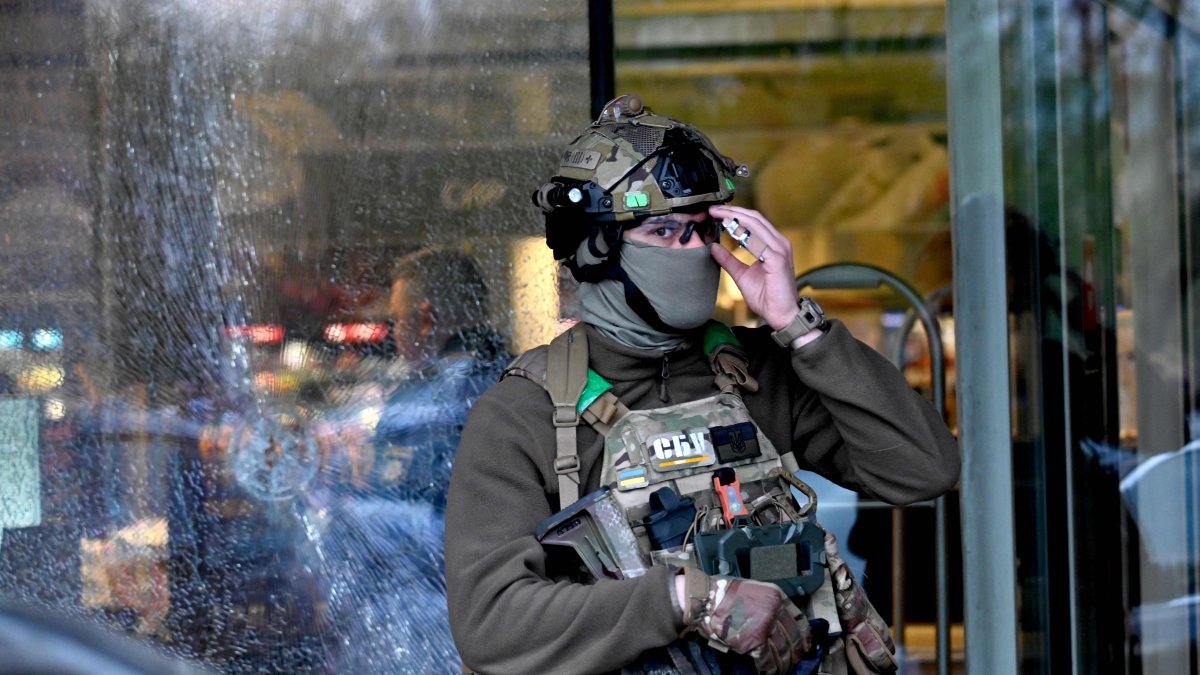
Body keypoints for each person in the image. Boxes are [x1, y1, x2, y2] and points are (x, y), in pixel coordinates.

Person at [444, 95, 959, 675]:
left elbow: (924, 469)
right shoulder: (527, 412)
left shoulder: (757, 371)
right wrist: (684, 600)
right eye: (664, 230)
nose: (693, 251)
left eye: (702, 230)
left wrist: (799, 328)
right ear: (596, 250)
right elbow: (490, 624)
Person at [322, 246, 510, 673]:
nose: (393, 333)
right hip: (498, 617)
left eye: (396, 319)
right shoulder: (521, 381)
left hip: (432, 620)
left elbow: (414, 523)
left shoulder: (427, 399)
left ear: (426, 319)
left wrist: (344, 506)